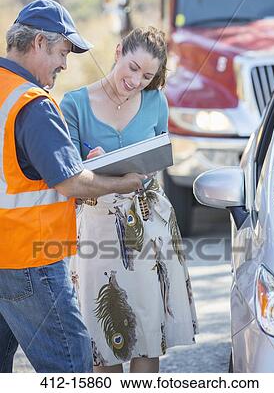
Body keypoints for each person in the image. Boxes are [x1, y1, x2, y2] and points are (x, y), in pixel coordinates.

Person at [0, 0, 146, 373]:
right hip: (29, 258)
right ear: (38, 44)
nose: (65, 64)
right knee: (71, 364)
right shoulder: (32, 103)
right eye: (62, 52)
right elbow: (69, 181)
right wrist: (121, 180)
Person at [60, 26, 198, 374]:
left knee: (148, 328)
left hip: (149, 222)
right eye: (133, 68)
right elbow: (67, 172)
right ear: (118, 51)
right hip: (98, 224)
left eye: (148, 75)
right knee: (104, 335)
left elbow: (159, 154)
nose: (137, 80)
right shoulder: (74, 103)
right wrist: (93, 164)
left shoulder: (156, 102)